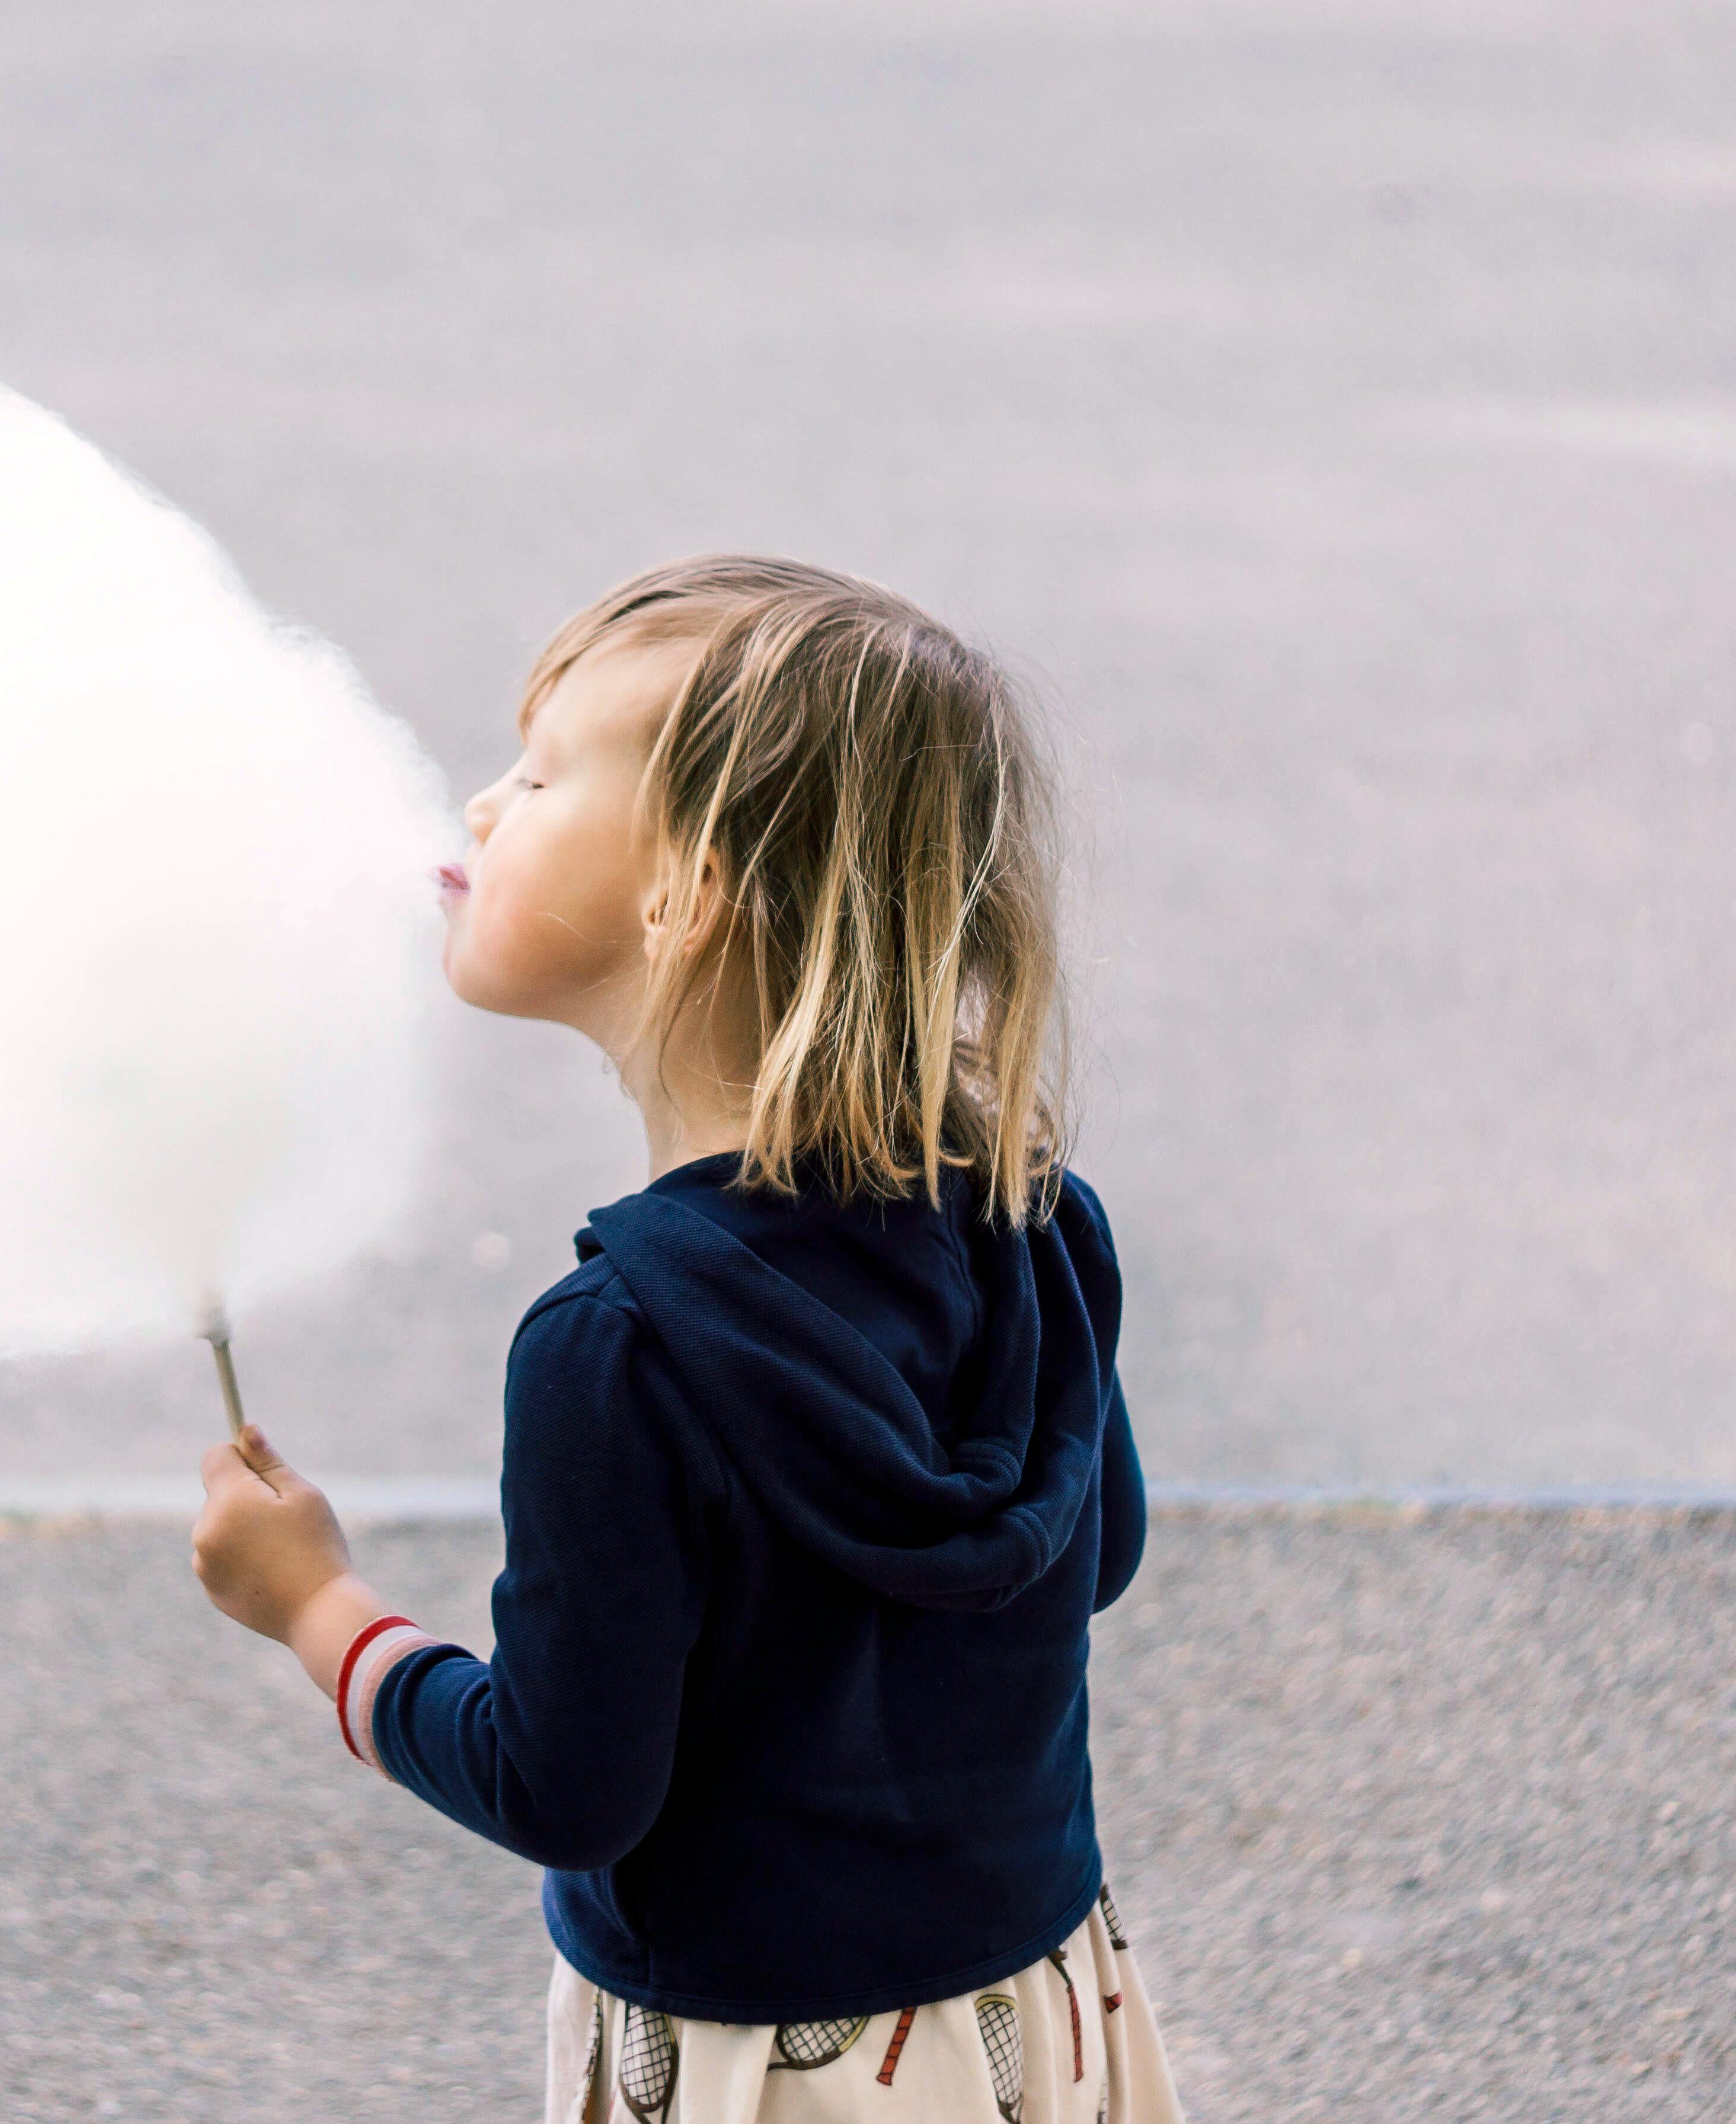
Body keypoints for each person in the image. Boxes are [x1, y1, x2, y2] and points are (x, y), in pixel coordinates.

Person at [191, 556, 1181, 2124]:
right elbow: (1093, 1553)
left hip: (750, 2068)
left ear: (686, 889)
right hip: (1023, 2020)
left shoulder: (619, 1349)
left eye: (539, 773)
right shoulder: (1038, 1220)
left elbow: (568, 1788)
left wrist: (320, 1610)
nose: (478, 808)